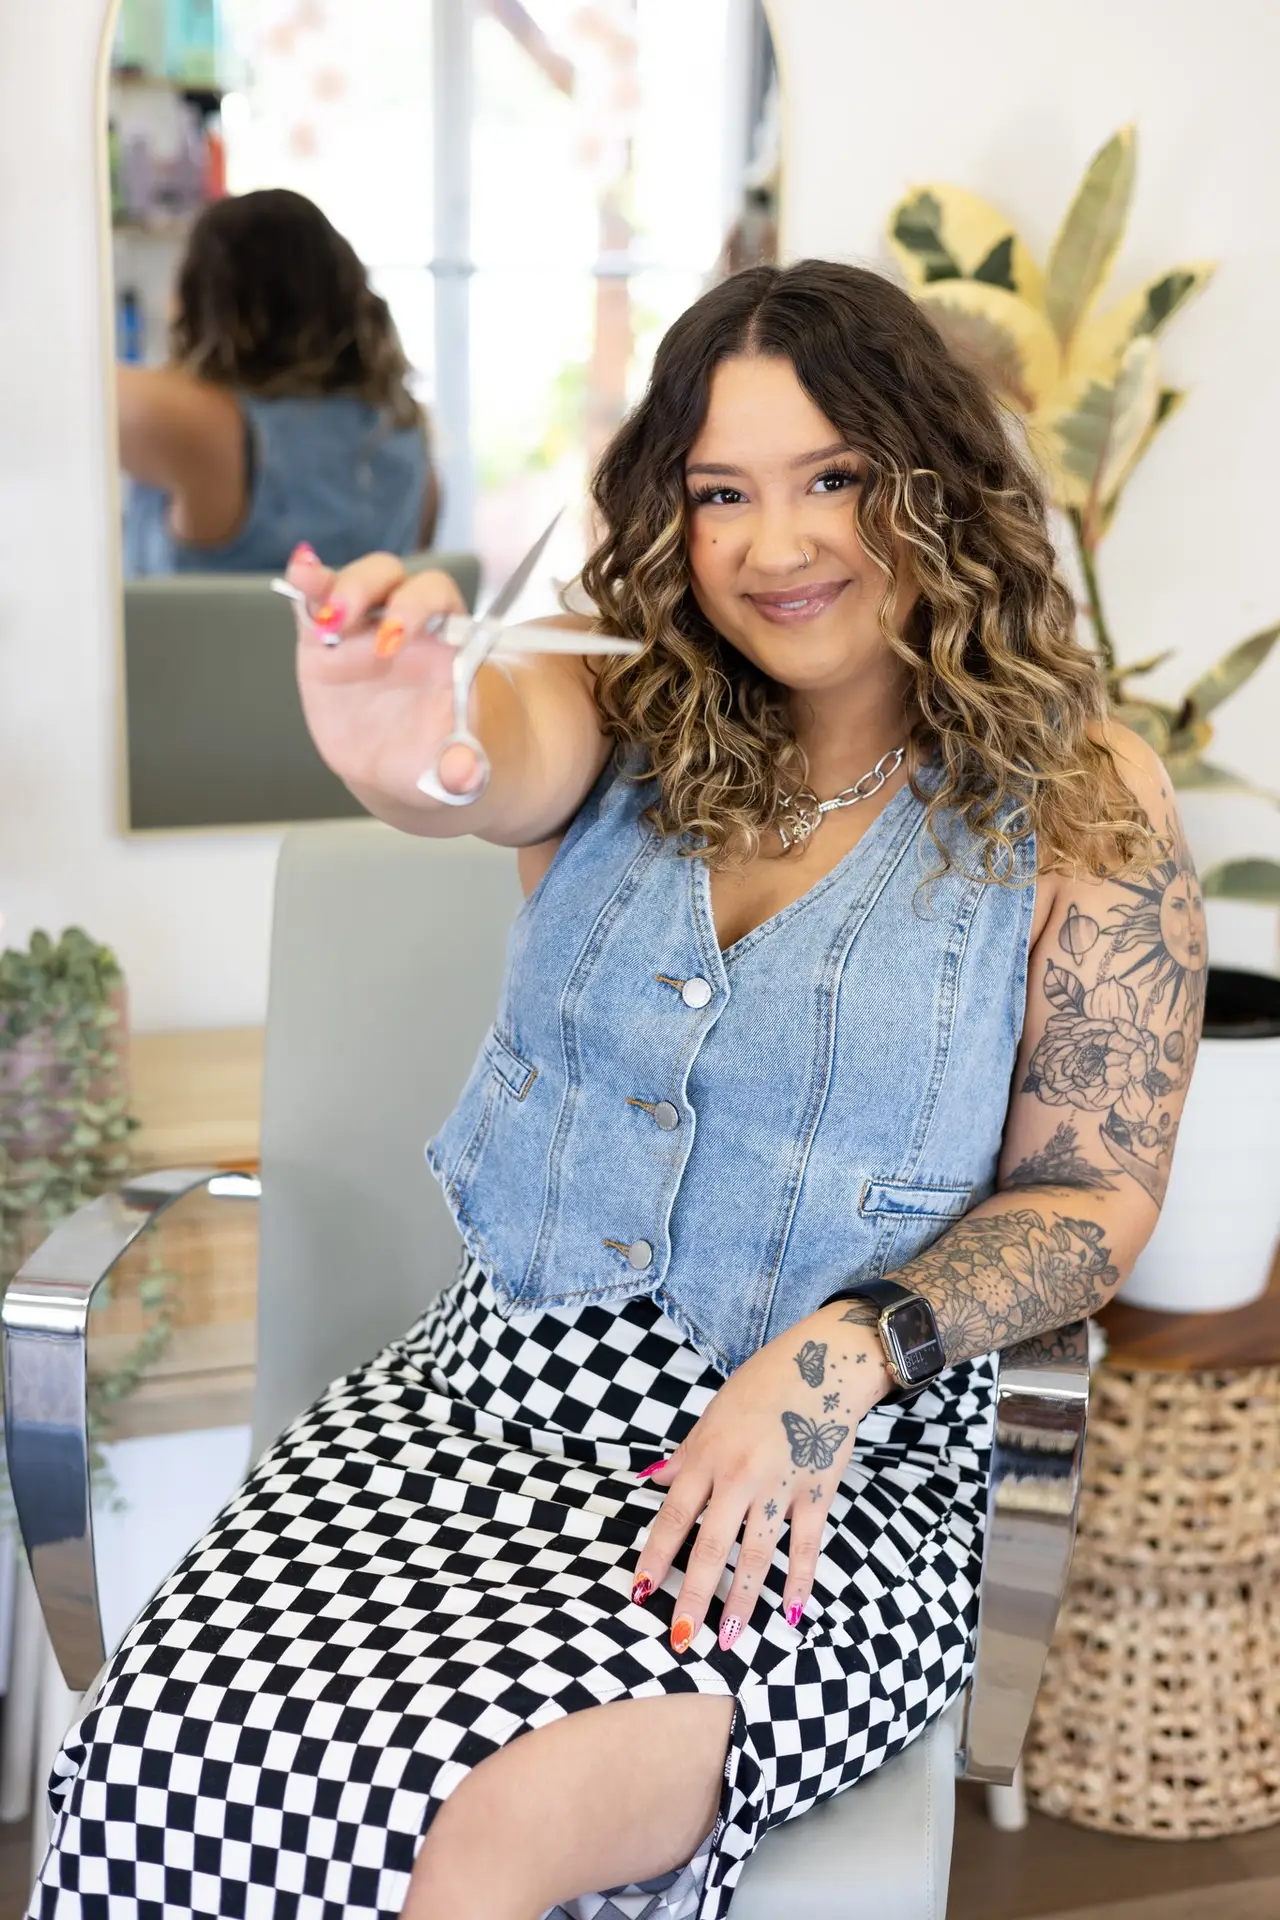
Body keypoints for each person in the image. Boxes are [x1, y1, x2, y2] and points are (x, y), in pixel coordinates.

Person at [35, 261, 1204, 1920]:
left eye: (834, 480)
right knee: (151, 1761)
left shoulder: (1081, 799)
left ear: (939, 480)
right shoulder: (624, 712)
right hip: (473, 1415)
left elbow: (1095, 1196)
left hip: (817, 1471)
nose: (777, 544)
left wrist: (842, 1351)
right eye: (721, 492)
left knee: (497, 1838)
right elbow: (472, 760)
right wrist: (394, 737)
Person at [118, 188, 437, 578]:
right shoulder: (406, 430)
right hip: (361, 640)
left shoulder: (209, 426)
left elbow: (74, 383)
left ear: (204, 299)